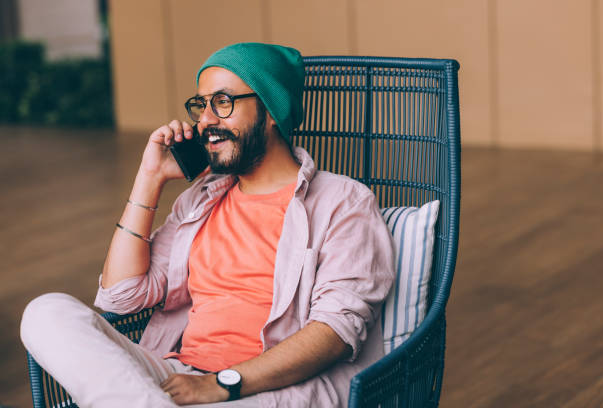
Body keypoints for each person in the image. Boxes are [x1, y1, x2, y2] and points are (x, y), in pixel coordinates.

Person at [21, 42, 394, 407]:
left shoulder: (343, 202)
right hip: (176, 376)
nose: (205, 121)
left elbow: (335, 332)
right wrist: (150, 177)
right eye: (201, 105)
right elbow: (122, 295)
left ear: (271, 110)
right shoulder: (202, 199)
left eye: (223, 102)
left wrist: (220, 385)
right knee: (46, 311)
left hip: (270, 389)